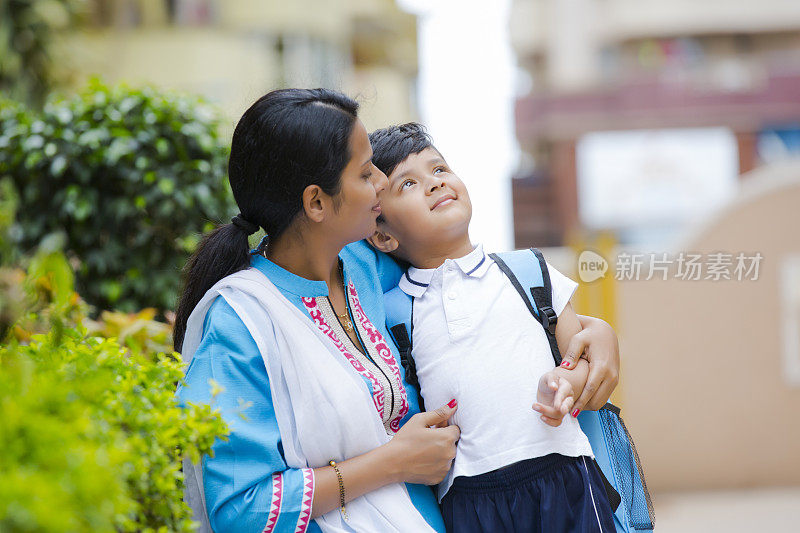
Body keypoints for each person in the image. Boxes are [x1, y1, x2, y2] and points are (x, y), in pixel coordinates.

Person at [174, 89, 621, 533]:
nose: (382, 184)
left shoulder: (367, 269)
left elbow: (479, 295)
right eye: (367, 172)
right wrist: (390, 463)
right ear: (316, 203)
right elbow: (240, 510)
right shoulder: (242, 321)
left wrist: (595, 332)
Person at [367, 122, 618, 532]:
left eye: (439, 169)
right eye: (408, 184)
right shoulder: (392, 312)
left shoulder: (529, 269)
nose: (434, 184)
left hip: (564, 470)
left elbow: (581, 358)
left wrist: (567, 384)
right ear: (382, 237)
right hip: (469, 496)